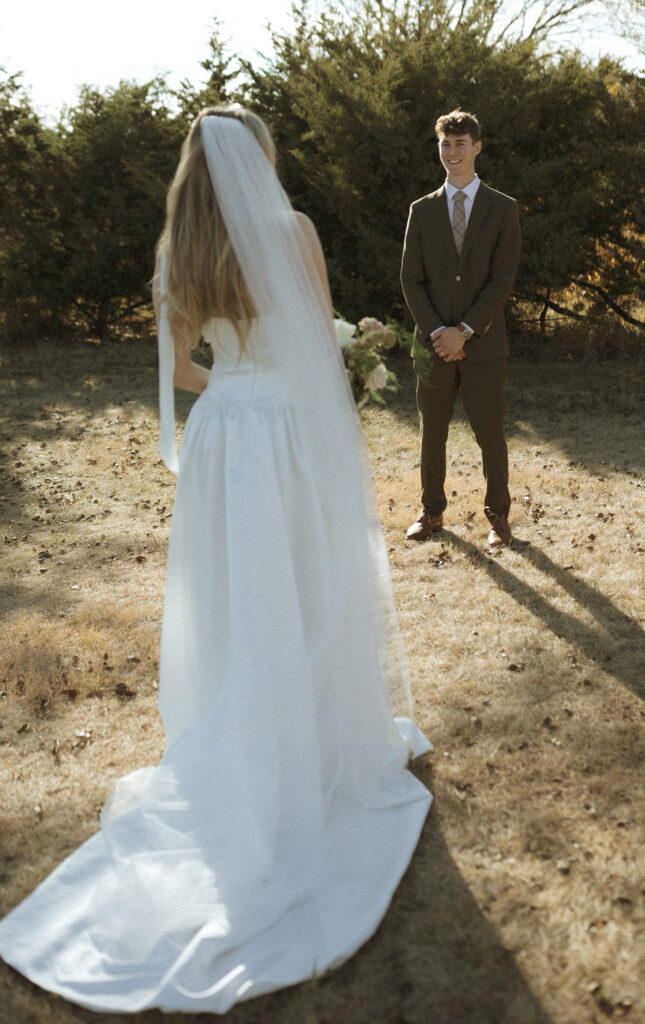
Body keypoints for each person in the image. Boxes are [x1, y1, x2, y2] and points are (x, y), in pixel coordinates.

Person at [0, 106, 432, 1014]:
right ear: (260, 161)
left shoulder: (179, 247)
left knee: (237, 596)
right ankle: (311, 744)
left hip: (222, 431)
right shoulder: (293, 229)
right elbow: (317, 339)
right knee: (307, 582)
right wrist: (328, 375)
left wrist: (235, 374)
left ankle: (241, 731)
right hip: (282, 430)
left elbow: (180, 370)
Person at [401, 108, 521, 545]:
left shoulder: (502, 209)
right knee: (432, 432)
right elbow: (410, 279)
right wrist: (440, 334)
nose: (452, 152)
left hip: (484, 346)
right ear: (439, 149)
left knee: (490, 431)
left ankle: (498, 519)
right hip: (432, 346)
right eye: (445, 144)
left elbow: (501, 279)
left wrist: (464, 331)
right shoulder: (421, 210)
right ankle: (431, 513)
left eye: (460, 144)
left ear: (476, 148)